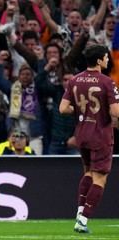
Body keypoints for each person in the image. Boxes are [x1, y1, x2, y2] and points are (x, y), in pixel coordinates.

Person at [59, 44, 119, 233]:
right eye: (106, 57)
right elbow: (116, 112)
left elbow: (63, 109)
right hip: (100, 135)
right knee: (100, 179)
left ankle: (79, 212)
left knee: (88, 173)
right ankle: (83, 221)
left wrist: (81, 110)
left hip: (82, 135)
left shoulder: (74, 80)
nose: (108, 60)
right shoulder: (107, 82)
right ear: (99, 60)